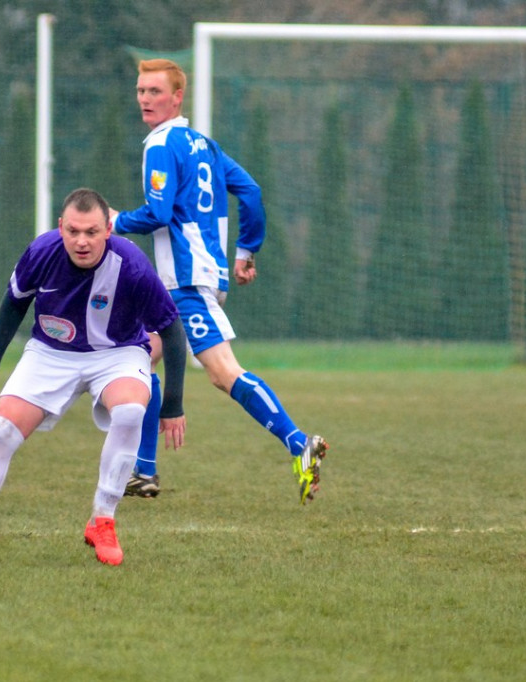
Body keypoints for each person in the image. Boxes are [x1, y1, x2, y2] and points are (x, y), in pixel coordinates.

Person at [0, 188, 187, 567]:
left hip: (117, 352)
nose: (81, 241)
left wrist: (172, 403)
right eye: (73, 230)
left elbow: (172, 329)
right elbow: (14, 303)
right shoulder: (42, 251)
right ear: (61, 227)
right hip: (50, 352)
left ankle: (103, 520)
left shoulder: (132, 264)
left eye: (91, 232)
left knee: (128, 412)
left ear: (108, 229)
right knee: (1, 432)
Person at [110, 59, 327, 503]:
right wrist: (246, 251)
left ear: (177, 97)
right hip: (198, 277)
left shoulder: (160, 144)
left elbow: (157, 212)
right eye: (140, 91)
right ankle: (144, 472)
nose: (145, 100)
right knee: (140, 356)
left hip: (186, 282)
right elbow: (250, 190)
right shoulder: (204, 145)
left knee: (223, 372)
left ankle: (299, 443)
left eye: (154, 92)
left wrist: (116, 221)